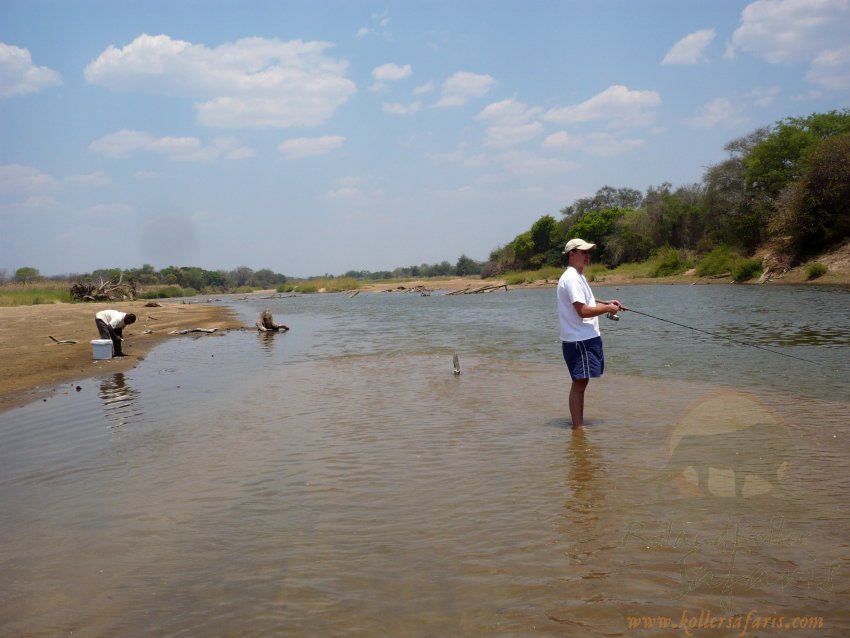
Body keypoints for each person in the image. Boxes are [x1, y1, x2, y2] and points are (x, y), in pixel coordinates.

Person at [556, 238, 621, 429]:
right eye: (583, 252)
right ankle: (578, 428)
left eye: (588, 252)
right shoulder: (571, 278)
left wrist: (608, 305)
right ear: (571, 254)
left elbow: (588, 305)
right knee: (579, 384)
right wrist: (607, 308)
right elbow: (582, 311)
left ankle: (578, 427)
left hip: (583, 338)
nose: (587, 256)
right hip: (579, 340)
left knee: (581, 383)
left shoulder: (578, 277)